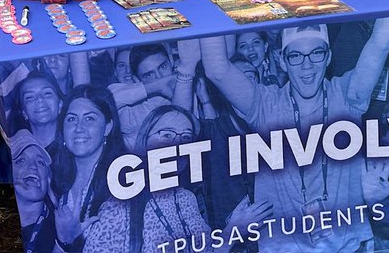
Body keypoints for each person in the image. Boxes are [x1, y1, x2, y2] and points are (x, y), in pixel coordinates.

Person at [200, 19, 389, 252]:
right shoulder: (264, 104)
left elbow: (380, 44)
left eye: (316, 53)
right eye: (295, 56)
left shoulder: (346, 94)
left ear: (328, 58)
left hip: (346, 245)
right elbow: (217, 69)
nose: (307, 66)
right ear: (282, 62)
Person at [82, 105, 271, 253]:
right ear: (145, 140)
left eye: (186, 137)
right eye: (166, 135)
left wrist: (232, 228)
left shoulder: (186, 199)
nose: (177, 144)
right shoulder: (120, 203)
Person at [51, 86, 125, 250]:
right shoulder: (54, 185)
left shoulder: (124, 182)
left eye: (89, 118)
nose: (79, 128)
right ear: (62, 130)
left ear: (107, 127)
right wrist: (64, 241)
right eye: (71, 119)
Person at [9, 129, 60, 253]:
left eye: (40, 162)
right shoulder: (4, 228)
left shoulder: (59, 229)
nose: (32, 166)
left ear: (48, 177)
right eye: (21, 160)